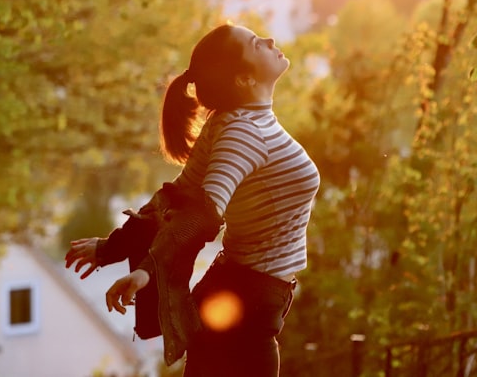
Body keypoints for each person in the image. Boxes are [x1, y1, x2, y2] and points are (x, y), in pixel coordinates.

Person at [64, 23, 320, 377]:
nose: (270, 40)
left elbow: (173, 199)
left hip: (244, 298)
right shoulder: (243, 132)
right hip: (245, 306)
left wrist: (113, 247)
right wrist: (148, 270)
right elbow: (200, 213)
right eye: (255, 44)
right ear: (243, 80)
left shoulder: (234, 123)